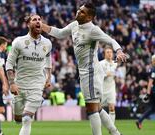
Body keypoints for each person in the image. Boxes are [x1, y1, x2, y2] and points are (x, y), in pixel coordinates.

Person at [41, 3, 127, 135]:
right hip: (83, 73)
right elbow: (59, 33)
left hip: (92, 72)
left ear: (89, 17)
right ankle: (115, 133)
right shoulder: (75, 25)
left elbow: (110, 40)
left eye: (82, 12)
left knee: (91, 108)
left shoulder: (93, 30)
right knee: (96, 108)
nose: (78, 12)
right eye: (79, 10)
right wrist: (42, 26)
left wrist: (119, 50)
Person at [6, 14, 52, 135]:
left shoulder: (47, 43)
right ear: (28, 24)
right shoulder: (19, 42)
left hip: (37, 85)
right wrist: (12, 83)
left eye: (39, 20)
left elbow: (48, 61)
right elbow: (9, 64)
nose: (38, 22)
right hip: (20, 85)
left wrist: (48, 78)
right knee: (18, 119)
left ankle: (36, 102)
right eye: (34, 20)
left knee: (27, 119)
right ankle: (16, 108)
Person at [136, 54, 155, 129]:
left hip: (153, 91)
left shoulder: (152, 69)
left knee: (152, 109)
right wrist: (147, 93)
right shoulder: (154, 69)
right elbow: (150, 81)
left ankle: (139, 120)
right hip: (154, 91)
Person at [99, 46, 118, 123]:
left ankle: (112, 127)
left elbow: (117, 75)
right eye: (107, 52)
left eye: (111, 52)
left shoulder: (115, 64)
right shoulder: (101, 64)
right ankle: (98, 125)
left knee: (112, 107)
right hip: (102, 88)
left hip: (111, 88)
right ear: (104, 54)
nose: (109, 54)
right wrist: (106, 74)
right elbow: (98, 76)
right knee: (99, 109)